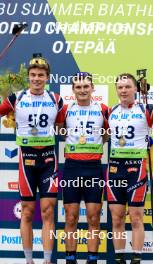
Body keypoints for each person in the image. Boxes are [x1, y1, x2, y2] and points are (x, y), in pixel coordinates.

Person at [0, 54, 63, 264]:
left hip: (48, 160)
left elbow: (64, 127)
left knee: (48, 212)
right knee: (27, 212)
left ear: (47, 78)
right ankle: (29, 261)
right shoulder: (16, 98)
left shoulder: (56, 99)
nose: (37, 78)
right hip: (26, 160)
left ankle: (46, 260)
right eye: (33, 75)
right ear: (28, 77)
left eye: (41, 75)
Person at [107, 73, 153, 264]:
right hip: (114, 169)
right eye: (120, 87)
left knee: (136, 217)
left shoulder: (147, 109)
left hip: (136, 168)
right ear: (116, 90)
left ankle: (136, 259)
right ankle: (120, 259)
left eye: (127, 86)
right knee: (117, 218)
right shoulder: (110, 111)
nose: (123, 90)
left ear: (136, 89)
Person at [58, 72, 108, 264]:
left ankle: (92, 259)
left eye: (86, 86)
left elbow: (107, 135)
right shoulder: (66, 109)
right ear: (73, 90)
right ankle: (70, 259)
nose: (82, 90)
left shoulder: (103, 110)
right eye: (78, 87)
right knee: (70, 218)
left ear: (93, 88)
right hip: (72, 167)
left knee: (94, 218)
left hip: (94, 167)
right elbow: (61, 130)